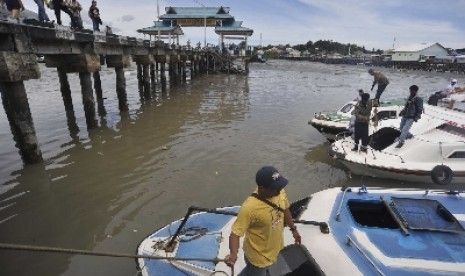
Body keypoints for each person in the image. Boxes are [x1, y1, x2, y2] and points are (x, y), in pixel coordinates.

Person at [225, 166, 301, 276]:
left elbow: (285, 209)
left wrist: (293, 229)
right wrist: (233, 253)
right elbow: (235, 234)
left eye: (280, 186)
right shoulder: (249, 208)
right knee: (253, 272)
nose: (279, 190)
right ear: (262, 188)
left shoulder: (279, 191)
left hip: (274, 249)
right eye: (275, 188)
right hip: (258, 258)